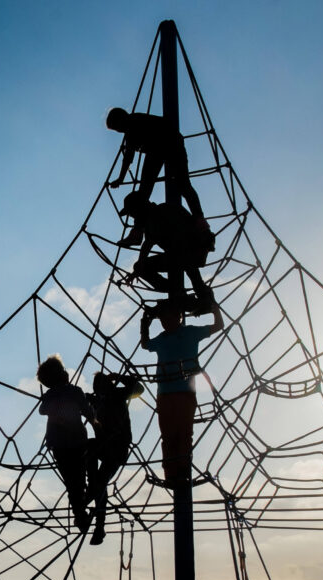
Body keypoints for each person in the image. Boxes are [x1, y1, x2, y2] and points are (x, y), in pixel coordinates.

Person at [140, 298, 224, 485]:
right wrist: (144, 324)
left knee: (184, 433)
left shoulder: (190, 332)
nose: (165, 322)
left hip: (183, 392)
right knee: (169, 435)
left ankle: (183, 471)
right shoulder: (162, 338)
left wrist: (213, 307)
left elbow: (219, 325)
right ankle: (172, 474)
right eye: (162, 319)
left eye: (168, 317)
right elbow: (145, 344)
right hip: (165, 393)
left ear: (178, 317)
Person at [117, 190, 215, 309]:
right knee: (188, 266)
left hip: (187, 251)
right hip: (193, 250)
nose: (132, 217)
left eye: (132, 213)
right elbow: (148, 244)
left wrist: (139, 267)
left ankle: (178, 292)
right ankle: (201, 295)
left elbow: (148, 243)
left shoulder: (155, 217)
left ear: (139, 209)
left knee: (177, 261)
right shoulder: (161, 211)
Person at [106, 107, 205, 221]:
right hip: (168, 145)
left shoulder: (131, 126)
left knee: (147, 190)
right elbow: (129, 155)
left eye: (117, 128)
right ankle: (199, 219)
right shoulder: (135, 121)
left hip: (163, 146)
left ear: (120, 120)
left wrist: (120, 178)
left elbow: (128, 157)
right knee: (182, 185)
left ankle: (138, 228)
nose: (119, 131)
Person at [37, 355, 95, 533]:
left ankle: (80, 514)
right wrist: (97, 425)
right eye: (63, 371)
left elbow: (42, 410)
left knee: (72, 481)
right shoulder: (74, 391)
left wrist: (56, 406)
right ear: (61, 375)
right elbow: (88, 412)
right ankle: (81, 513)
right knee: (78, 478)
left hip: (59, 444)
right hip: (75, 442)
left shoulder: (51, 394)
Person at [87, 372, 144, 545]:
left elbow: (138, 388)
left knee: (100, 482)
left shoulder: (118, 395)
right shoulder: (98, 400)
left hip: (116, 449)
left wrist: (118, 377)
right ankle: (91, 489)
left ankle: (98, 525)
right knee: (96, 473)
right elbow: (82, 400)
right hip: (105, 446)